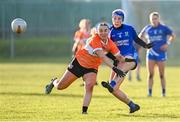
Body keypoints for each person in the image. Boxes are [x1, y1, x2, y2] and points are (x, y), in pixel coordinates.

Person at [45, 23, 134, 114]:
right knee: (61, 86)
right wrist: (115, 68)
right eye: (101, 31)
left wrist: (130, 60)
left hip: (92, 67)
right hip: (79, 63)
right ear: (98, 32)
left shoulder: (110, 43)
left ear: (109, 31)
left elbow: (119, 57)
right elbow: (102, 56)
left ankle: (84, 112)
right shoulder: (95, 39)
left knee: (89, 86)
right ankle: (54, 81)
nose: (103, 33)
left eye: (105, 30)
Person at [101, 9, 153, 113]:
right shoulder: (110, 31)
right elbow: (109, 49)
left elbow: (137, 39)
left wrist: (146, 46)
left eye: (119, 19)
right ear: (112, 19)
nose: (116, 20)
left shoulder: (129, 29)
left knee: (112, 84)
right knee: (113, 89)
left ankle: (112, 84)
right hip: (119, 61)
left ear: (122, 19)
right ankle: (132, 105)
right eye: (114, 18)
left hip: (130, 59)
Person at [139, 12, 175, 97]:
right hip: (150, 54)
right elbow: (140, 36)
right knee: (151, 74)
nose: (154, 20)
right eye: (152, 19)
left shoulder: (163, 28)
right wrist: (145, 44)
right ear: (150, 20)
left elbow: (173, 35)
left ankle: (163, 92)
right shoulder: (147, 28)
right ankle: (150, 92)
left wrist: (167, 44)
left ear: (158, 19)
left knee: (161, 75)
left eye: (155, 18)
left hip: (161, 54)